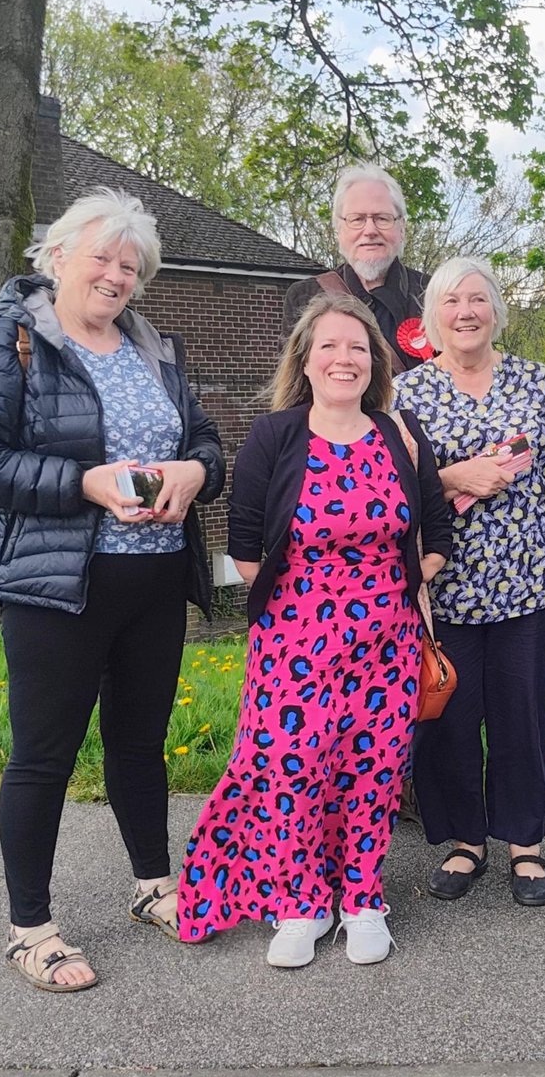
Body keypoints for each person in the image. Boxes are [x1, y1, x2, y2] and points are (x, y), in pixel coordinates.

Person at [0, 187, 225, 993]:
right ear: (58, 255)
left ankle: (154, 887)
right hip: (56, 585)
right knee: (44, 757)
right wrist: (85, 483)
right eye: (101, 257)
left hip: (155, 580)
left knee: (139, 743)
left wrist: (194, 470)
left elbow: (203, 438)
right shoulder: (15, 341)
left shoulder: (152, 347)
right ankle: (29, 927)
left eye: (130, 265)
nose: (115, 275)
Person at [179, 292, 451, 967]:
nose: (344, 358)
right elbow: (244, 541)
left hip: (386, 643)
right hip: (294, 642)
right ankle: (299, 902)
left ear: (374, 361)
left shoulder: (399, 432)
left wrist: (403, 586)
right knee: (289, 771)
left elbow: (437, 532)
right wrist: (302, 608)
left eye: (357, 347)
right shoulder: (276, 435)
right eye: (329, 345)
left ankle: (362, 898)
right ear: (305, 358)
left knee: (374, 771)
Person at [392, 256, 545, 907]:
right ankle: (465, 840)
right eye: (452, 302)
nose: (466, 312)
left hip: (529, 579)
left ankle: (525, 841)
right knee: (451, 715)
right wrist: (455, 476)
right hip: (444, 584)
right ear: (433, 318)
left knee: (524, 712)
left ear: (497, 310)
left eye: (478, 299)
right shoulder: (409, 394)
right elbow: (392, 485)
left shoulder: (533, 382)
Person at [281, 163, 429, 376]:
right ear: (339, 229)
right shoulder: (305, 297)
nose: (370, 230)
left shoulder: (435, 294)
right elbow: (292, 390)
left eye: (382, 218)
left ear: (402, 228)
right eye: (357, 219)